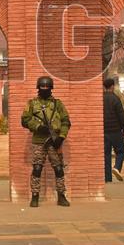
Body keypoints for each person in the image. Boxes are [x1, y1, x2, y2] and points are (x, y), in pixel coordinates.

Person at [21, 76, 71, 207]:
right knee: (37, 168)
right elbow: (25, 120)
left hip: (55, 141)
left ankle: (61, 196)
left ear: (51, 89)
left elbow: (66, 121)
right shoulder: (32, 104)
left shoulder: (57, 104)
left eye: (47, 87)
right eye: (42, 87)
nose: (44, 89)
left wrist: (61, 137)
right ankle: (35, 196)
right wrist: (38, 127)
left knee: (59, 169)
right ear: (38, 88)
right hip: (39, 140)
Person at [102, 78, 124, 182]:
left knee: (106, 155)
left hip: (104, 131)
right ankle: (116, 167)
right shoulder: (115, 99)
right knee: (121, 152)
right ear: (112, 86)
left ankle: (108, 178)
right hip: (116, 131)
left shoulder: (101, 98)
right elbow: (121, 115)